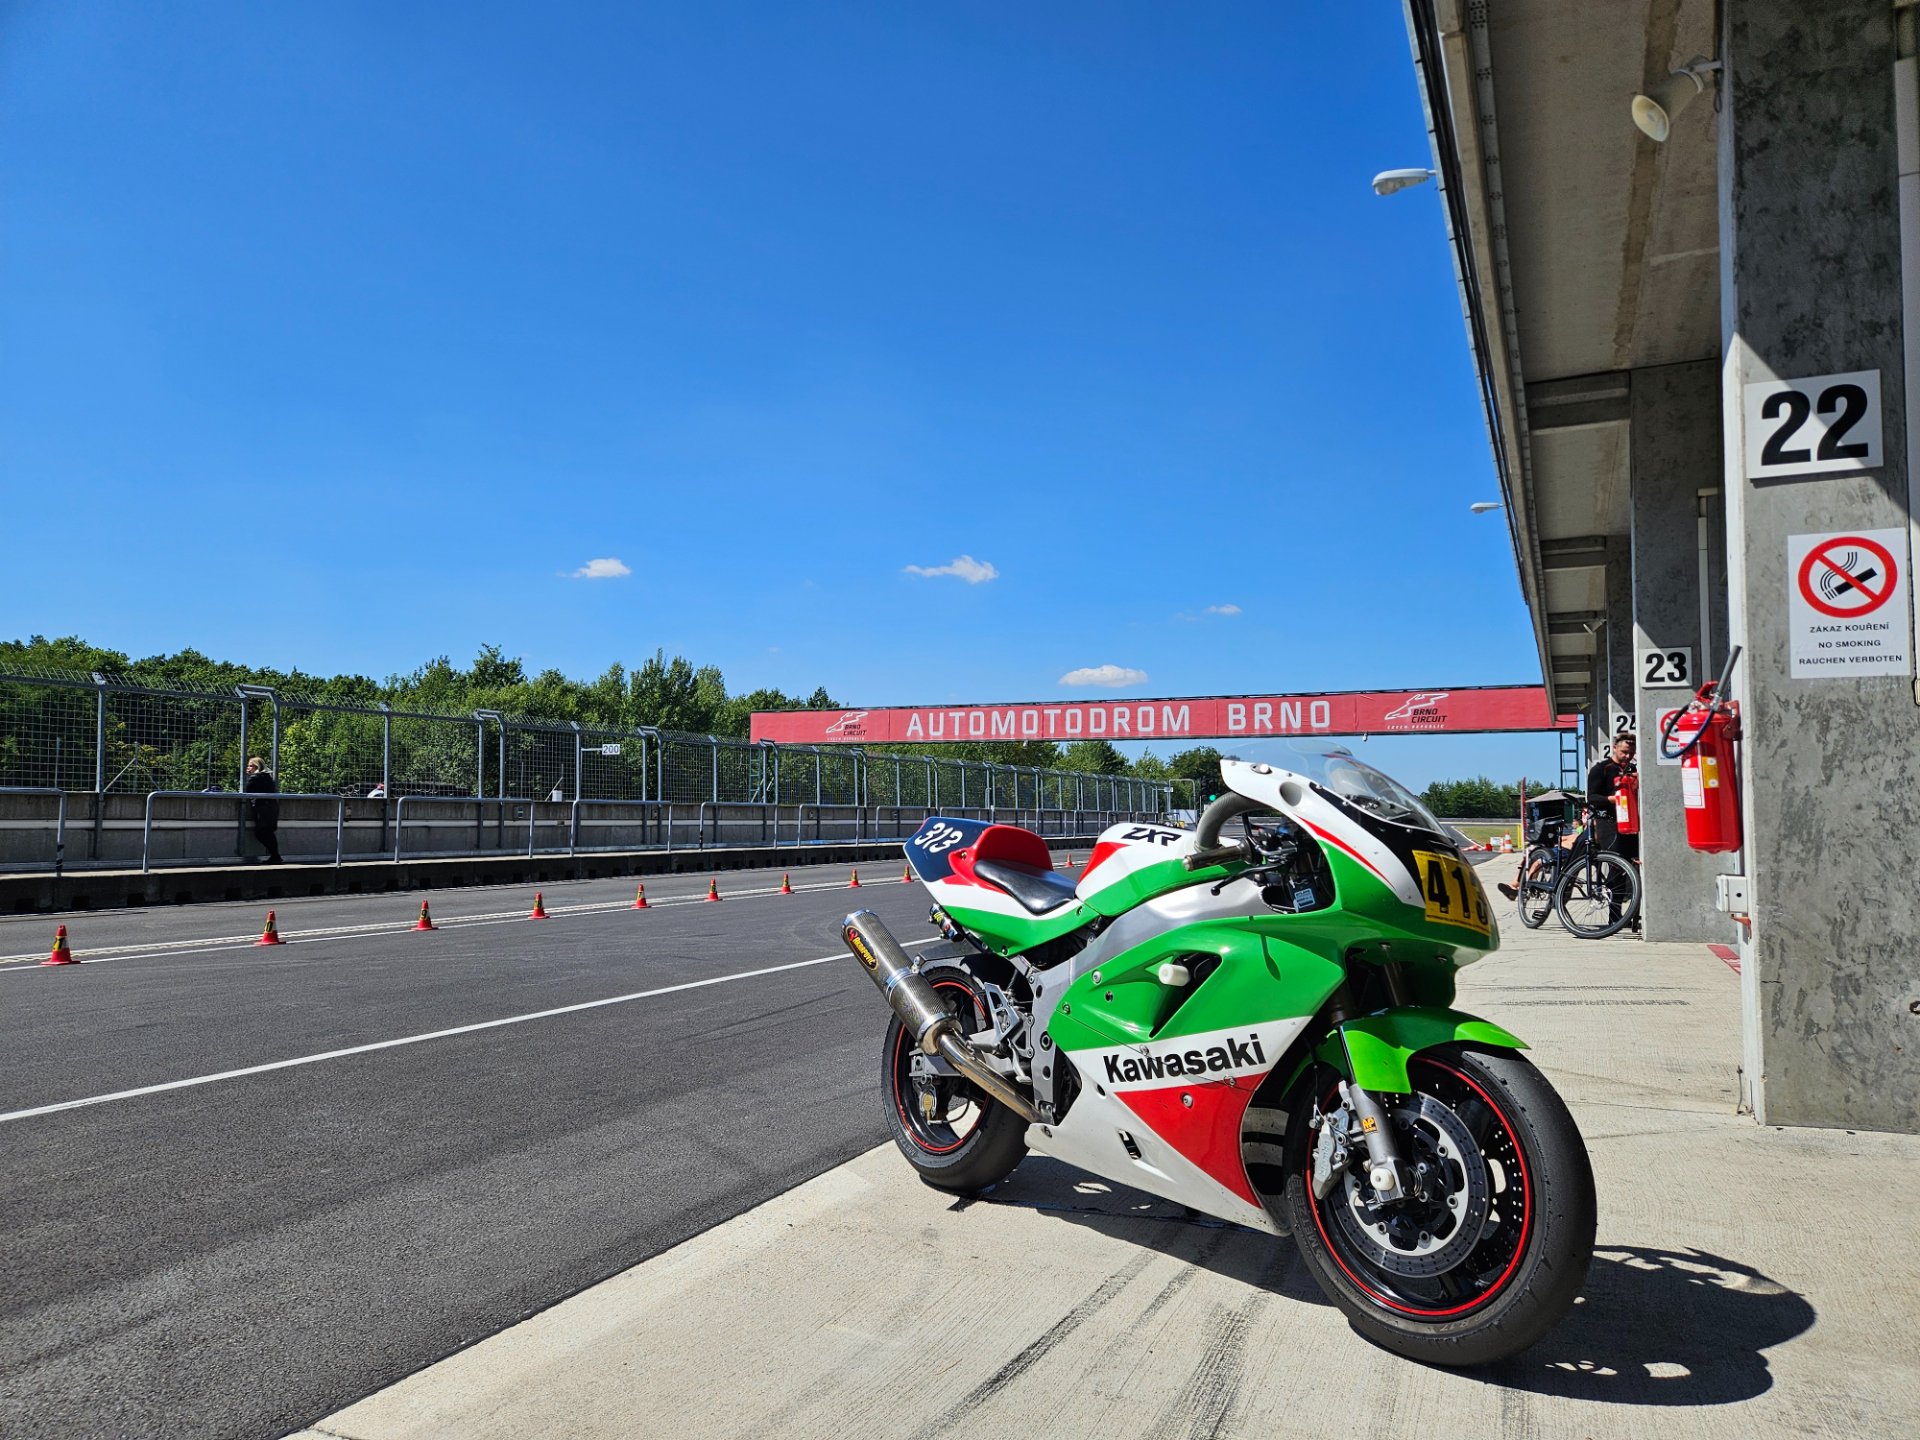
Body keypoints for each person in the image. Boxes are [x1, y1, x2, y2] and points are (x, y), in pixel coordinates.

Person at [244, 756, 283, 864]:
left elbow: (246, 790)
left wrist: (248, 777)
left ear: (257, 767)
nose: (248, 768)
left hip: (263, 808)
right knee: (267, 832)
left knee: (262, 832)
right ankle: (275, 855)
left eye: (250, 766)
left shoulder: (255, 778)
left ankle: (275, 856)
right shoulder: (267, 777)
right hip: (271, 807)